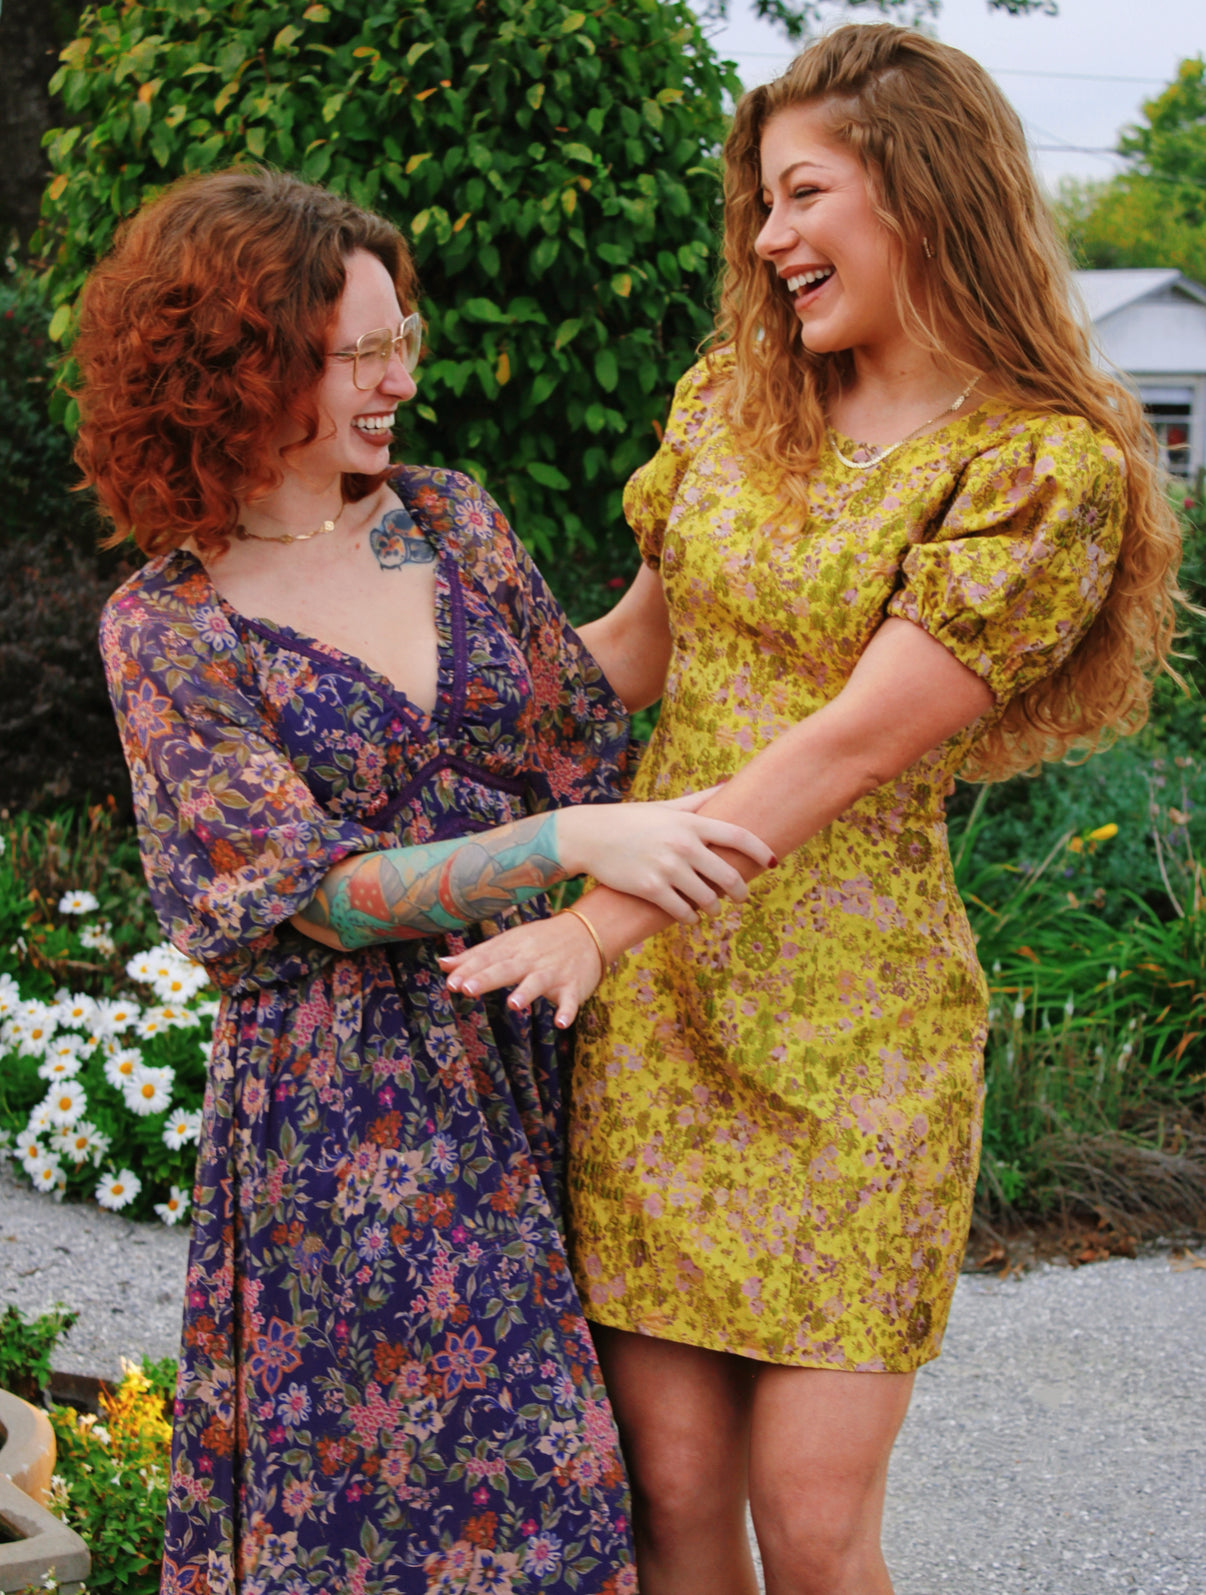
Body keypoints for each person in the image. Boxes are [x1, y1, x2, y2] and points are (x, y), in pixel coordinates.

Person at [440, 24, 1184, 1595]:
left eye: (801, 194)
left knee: (811, 1520)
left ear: (921, 192)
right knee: (671, 1494)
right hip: (663, 1017)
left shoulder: (1039, 471)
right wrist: (394, 725)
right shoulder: (732, 402)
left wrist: (593, 921)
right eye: (761, 203)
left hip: (854, 1036)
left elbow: (841, 750)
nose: (769, 237)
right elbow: (628, 656)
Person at [77, 167, 773, 1595]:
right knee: (447, 1507)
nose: (400, 379)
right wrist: (561, 845)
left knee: (650, 1470)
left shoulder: (445, 518)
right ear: (239, 365)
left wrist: (718, 489)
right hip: (358, 1110)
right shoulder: (168, 625)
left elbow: (586, 695)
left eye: (404, 340)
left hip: (552, 1039)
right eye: (360, 353)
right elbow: (315, 893)